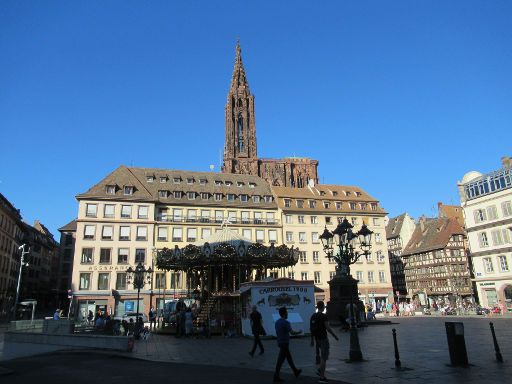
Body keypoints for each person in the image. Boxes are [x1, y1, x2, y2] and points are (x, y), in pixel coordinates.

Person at [310, 301, 338, 384]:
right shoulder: (324, 316)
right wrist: (335, 336)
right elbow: (328, 328)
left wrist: (312, 340)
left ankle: (320, 370)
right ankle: (322, 377)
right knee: (323, 358)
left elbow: (311, 328)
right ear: (322, 307)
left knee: (324, 355)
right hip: (323, 338)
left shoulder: (313, 316)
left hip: (317, 338)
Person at [273, 307, 302, 383]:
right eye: (287, 312)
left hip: (280, 342)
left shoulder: (277, 322)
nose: (287, 313)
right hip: (285, 343)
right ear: (284, 313)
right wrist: (299, 332)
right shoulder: (286, 323)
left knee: (289, 358)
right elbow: (292, 332)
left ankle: (295, 371)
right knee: (280, 360)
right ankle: (276, 376)